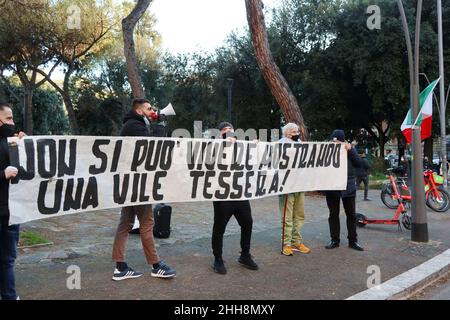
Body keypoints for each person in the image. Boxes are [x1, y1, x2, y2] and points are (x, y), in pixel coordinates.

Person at [111, 98, 176, 280]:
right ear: (140, 111)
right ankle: (156, 265)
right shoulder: (135, 126)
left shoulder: (132, 124)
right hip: (137, 184)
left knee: (125, 224)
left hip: (130, 183)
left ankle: (120, 267)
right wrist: (161, 126)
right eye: (149, 109)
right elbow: (153, 148)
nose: (152, 111)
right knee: (147, 224)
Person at [211, 122, 258, 274]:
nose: (228, 132)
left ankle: (245, 255)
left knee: (247, 223)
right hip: (223, 195)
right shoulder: (214, 146)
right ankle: (217, 258)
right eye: (224, 130)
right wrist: (222, 144)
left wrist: (255, 147)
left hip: (240, 194)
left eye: (230, 130)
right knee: (219, 228)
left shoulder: (241, 147)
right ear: (219, 134)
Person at [0, 102, 26, 300]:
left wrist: (25, 147)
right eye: (9, 118)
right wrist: (2, 174)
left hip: (11, 212)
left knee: (8, 260)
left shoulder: (10, 142)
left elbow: (24, 170)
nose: (13, 122)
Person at [325, 129, 365, 251]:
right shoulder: (327, 151)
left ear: (343, 141)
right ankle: (334, 240)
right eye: (333, 141)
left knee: (351, 215)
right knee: (333, 215)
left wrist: (351, 150)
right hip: (332, 188)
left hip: (348, 188)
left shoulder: (349, 150)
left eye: (337, 142)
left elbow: (359, 163)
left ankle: (353, 241)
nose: (335, 144)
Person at [278, 123, 310, 256]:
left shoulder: (301, 144)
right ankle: (286, 244)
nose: (297, 133)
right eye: (294, 131)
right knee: (287, 216)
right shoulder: (280, 144)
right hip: (287, 186)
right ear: (287, 133)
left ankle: (296, 241)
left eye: (297, 131)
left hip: (300, 185)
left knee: (299, 215)